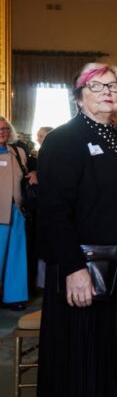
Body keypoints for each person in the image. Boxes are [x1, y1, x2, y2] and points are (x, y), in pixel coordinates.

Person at [33, 62, 117, 397]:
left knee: (101, 349)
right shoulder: (65, 139)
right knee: (78, 349)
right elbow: (54, 211)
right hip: (83, 262)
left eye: (113, 86)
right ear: (78, 94)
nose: (107, 92)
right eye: (96, 86)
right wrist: (74, 268)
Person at [0, 116, 30, 311]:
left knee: (17, 255)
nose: (3, 132)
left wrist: (34, 173)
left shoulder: (18, 152)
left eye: (5, 129)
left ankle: (14, 297)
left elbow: (27, 173)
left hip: (17, 210)